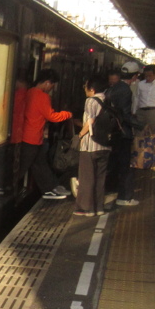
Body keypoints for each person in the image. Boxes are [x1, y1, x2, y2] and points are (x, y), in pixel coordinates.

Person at [19, 68, 72, 200]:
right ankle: (48, 189)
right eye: (52, 85)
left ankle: (50, 187)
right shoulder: (42, 96)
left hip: (26, 136)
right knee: (25, 166)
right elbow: (51, 116)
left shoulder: (29, 92)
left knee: (40, 164)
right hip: (32, 137)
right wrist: (68, 114)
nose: (51, 88)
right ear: (47, 83)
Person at [104, 62, 142, 206]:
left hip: (112, 131)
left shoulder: (112, 88)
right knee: (126, 165)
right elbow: (125, 115)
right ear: (134, 76)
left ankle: (109, 189)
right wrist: (141, 125)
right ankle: (124, 197)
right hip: (122, 133)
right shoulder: (126, 90)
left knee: (112, 163)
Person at [74, 77, 111, 216]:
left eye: (86, 87)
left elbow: (90, 122)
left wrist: (80, 135)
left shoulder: (91, 101)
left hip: (91, 145)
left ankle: (86, 209)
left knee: (87, 178)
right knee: (100, 178)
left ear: (92, 89)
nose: (85, 89)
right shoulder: (108, 99)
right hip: (106, 145)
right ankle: (99, 208)